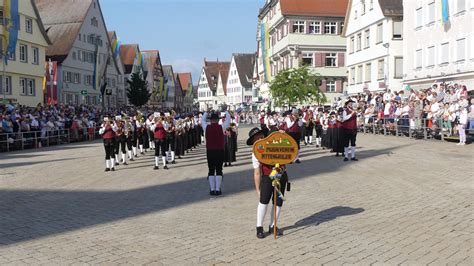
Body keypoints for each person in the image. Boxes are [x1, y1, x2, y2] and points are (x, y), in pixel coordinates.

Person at [247, 127, 288, 239]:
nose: (259, 138)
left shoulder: (274, 142)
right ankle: (259, 227)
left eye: (260, 136)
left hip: (280, 175)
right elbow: (256, 172)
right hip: (267, 177)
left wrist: (283, 136)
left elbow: (290, 151)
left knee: (278, 202)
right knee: (263, 201)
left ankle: (273, 225)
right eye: (256, 138)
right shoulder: (256, 152)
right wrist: (257, 189)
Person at [202, 110, 230, 196]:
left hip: (210, 151)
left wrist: (206, 113)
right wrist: (226, 112)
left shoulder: (206, 127)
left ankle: (212, 189)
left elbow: (202, 120)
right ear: (218, 120)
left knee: (211, 170)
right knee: (218, 169)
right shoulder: (222, 127)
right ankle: (217, 189)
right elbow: (228, 120)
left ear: (210, 120)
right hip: (219, 150)